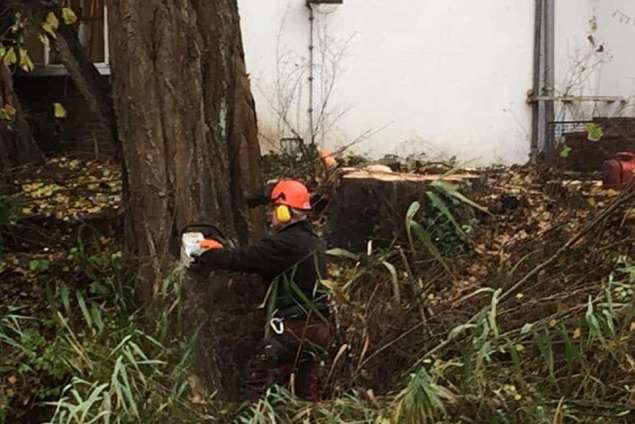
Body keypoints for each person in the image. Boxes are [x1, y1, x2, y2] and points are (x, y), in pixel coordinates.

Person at [190, 179, 333, 401]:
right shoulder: (312, 240)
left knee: (258, 383)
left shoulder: (286, 244)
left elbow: (244, 258)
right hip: (319, 328)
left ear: (285, 211)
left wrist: (206, 254)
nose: (271, 215)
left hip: (293, 328)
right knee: (305, 391)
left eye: (275, 209)